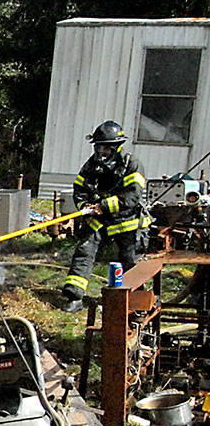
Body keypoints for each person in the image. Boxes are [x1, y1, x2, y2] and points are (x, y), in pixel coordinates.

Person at [61, 121, 147, 313]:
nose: (102, 151)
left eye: (106, 147)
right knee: (84, 251)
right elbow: (80, 189)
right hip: (98, 220)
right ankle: (74, 297)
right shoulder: (92, 164)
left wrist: (104, 206)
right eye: (99, 146)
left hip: (126, 222)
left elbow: (132, 196)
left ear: (117, 147)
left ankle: (135, 301)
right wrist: (85, 207)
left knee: (130, 261)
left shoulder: (131, 164)